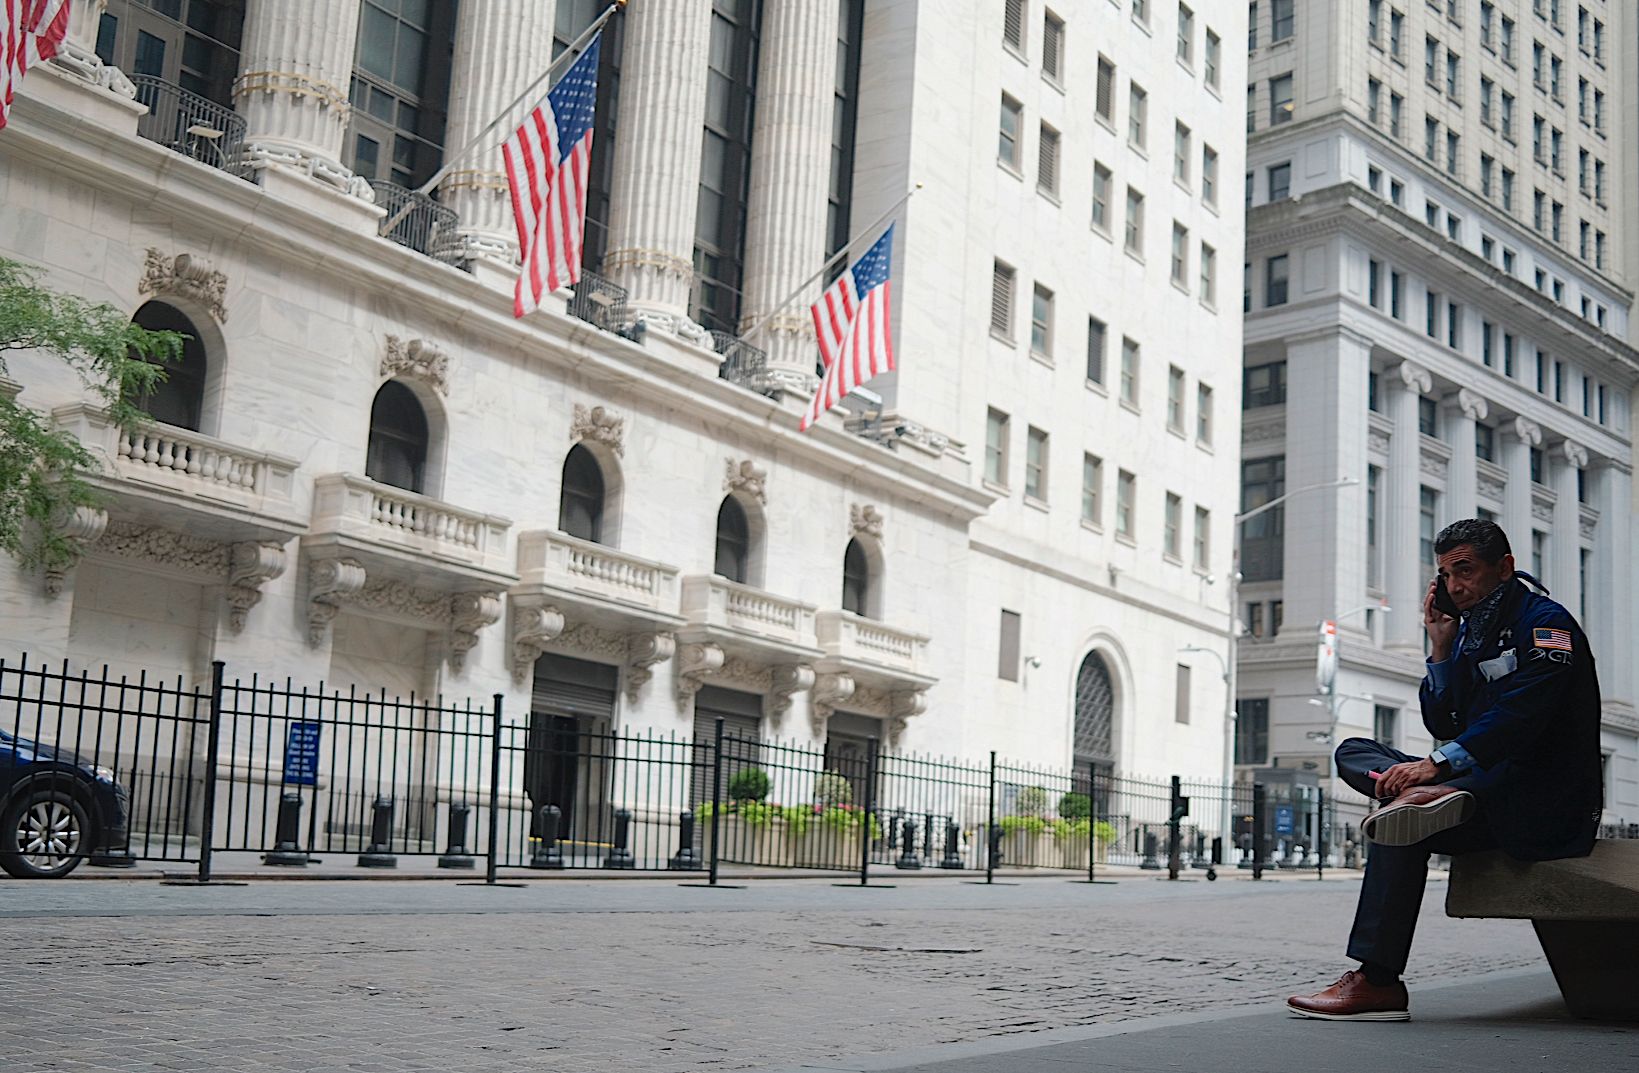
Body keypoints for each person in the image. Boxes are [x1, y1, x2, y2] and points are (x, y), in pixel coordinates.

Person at [1287, 518, 1603, 1021]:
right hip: (1469, 794)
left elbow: (1519, 719)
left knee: (1402, 823)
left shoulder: (1546, 625)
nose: (1456, 586)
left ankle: (1378, 983)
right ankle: (1425, 801)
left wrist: (1435, 767)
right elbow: (1444, 720)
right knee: (1353, 750)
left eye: (1466, 571)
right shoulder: (1466, 633)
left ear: (1504, 568)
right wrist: (1438, 646)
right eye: (1446, 575)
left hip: (1535, 802)